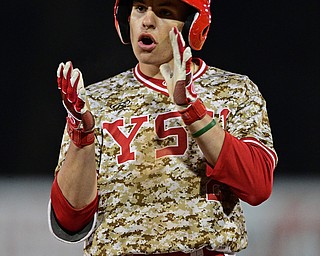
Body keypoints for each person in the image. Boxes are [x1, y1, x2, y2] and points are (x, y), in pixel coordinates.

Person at [48, 0, 278, 255]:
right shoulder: (96, 100)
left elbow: (258, 185)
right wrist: (81, 136)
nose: (147, 21)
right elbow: (70, 218)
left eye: (165, 12)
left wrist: (192, 111)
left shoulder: (233, 90)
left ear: (192, 25)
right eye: (139, 8)